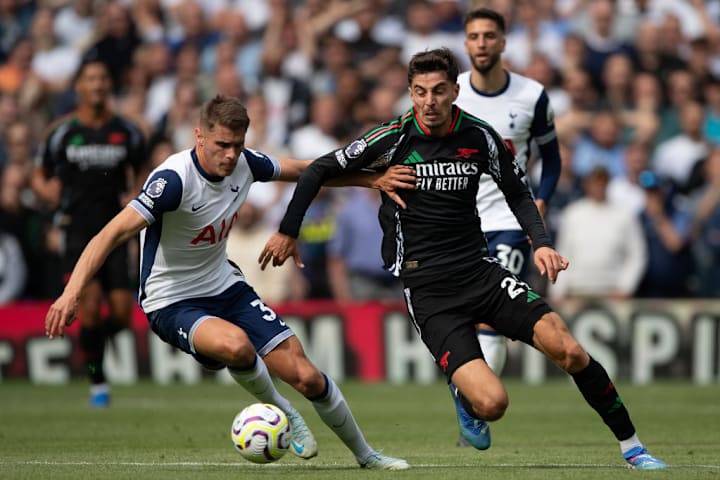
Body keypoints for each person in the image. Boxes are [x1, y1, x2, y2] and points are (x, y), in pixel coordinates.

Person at [259, 48, 667, 471]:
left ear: (455, 90)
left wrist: (541, 242)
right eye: (419, 92)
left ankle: (634, 448)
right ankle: (463, 391)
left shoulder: (478, 136)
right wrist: (292, 229)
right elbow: (317, 170)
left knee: (569, 351)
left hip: (480, 271)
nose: (428, 102)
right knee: (492, 405)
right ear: (410, 93)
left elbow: (517, 191)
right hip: (429, 290)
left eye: (438, 91)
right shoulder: (392, 137)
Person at [43, 94, 410, 470]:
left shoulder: (246, 164)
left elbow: (307, 170)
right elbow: (109, 234)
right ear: (199, 136)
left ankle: (368, 456)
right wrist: (71, 293)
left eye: (238, 145)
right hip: (171, 300)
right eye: (222, 145)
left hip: (224, 286)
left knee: (307, 376)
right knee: (236, 346)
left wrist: (372, 180)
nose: (231, 154)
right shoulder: (172, 181)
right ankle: (285, 413)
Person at [452, 7, 562, 448]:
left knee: (489, 318)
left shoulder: (531, 95)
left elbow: (551, 159)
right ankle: (469, 392)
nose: (481, 43)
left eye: (488, 36)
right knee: (462, 317)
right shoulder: (449, 92)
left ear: (502, 42)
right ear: (466, 43)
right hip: (456, 222)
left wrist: (542, 199)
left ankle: (473, 403)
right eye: (473, 36)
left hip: (507, 222)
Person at [31, 55, 147, 408]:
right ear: (79, 86)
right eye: (90, 79)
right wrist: (45, 191)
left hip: (115, 231)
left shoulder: (127, 131)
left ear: (109, 85)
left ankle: (90, 345)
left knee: (123, 313)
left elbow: (142, 173)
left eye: (102, 78)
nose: (97, 85)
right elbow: (39, 174)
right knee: (92, 306)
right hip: (76, 231)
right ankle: (97, 380)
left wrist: (137, 194)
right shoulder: (62, 131)